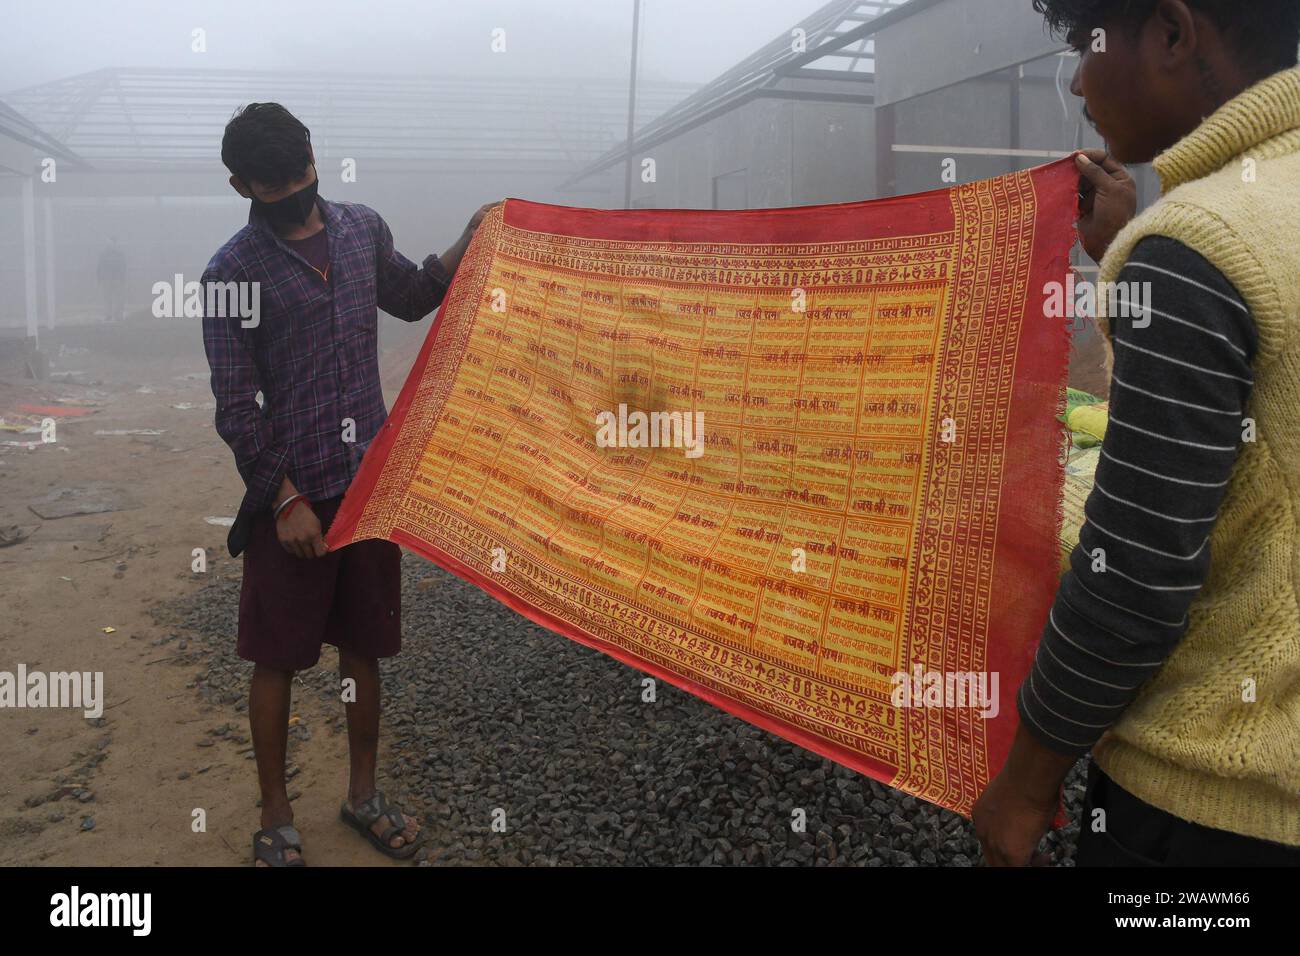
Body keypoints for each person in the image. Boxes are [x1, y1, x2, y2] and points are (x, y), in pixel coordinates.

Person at [973, 0, 1300, 866]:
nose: (1079, 82)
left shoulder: (1194, 250)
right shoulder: (1249, 222)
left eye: (1086, 45)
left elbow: (1138, 573)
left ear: (1170, 32)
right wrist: (1130, 246)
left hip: (1211, 812)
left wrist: (1027, 782)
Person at [201, 102, 498, 866]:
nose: (297, 191)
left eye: (303, 173)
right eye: (277, 185)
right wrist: (285, 499)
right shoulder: (232, 274)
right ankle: (276, 814)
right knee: (277, 657)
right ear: (243, 186)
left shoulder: (363, 229)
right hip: (292, 496)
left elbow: (409, 297)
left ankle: (363, 795)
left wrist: (471, 238)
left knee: (363, 647)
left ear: (313, 159)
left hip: (368, 485)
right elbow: (236, 406)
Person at [97, 238, 126, 322]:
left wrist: (99, 277)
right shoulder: (117, 254)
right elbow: (100, 267)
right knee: (110, 298)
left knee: (113, 298)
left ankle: (114, 315)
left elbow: (100, 267)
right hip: (111, 279)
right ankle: (111, 315)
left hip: (113, 279)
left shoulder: (106, 254)